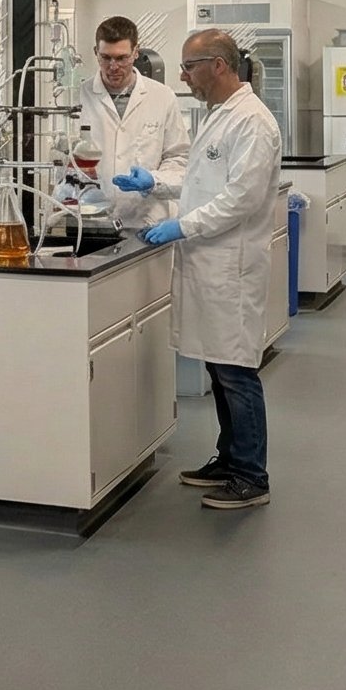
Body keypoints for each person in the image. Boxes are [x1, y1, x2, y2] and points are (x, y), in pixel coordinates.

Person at [121, 30, 282, 510]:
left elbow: (240, 200)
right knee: (218, 364)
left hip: (230, 265)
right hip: (209, 261)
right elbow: (201, 182)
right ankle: (230, 458)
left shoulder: (253, 122)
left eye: (190, 66)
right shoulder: (219, 116)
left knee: (236, 370)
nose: (183, 76)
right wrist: (156, 185)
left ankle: (252, 476)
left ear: (218, 65)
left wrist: (181, 227)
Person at [81, 15, 189, 229]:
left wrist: (154, 180)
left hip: (148, 220)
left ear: (136, 52)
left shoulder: (161, 96)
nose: (113, 66)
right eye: (105, 57)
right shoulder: (78, 96)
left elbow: (179, 157)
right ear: (96, 53)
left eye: (122, 58)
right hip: (91, 221)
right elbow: (61, 156)